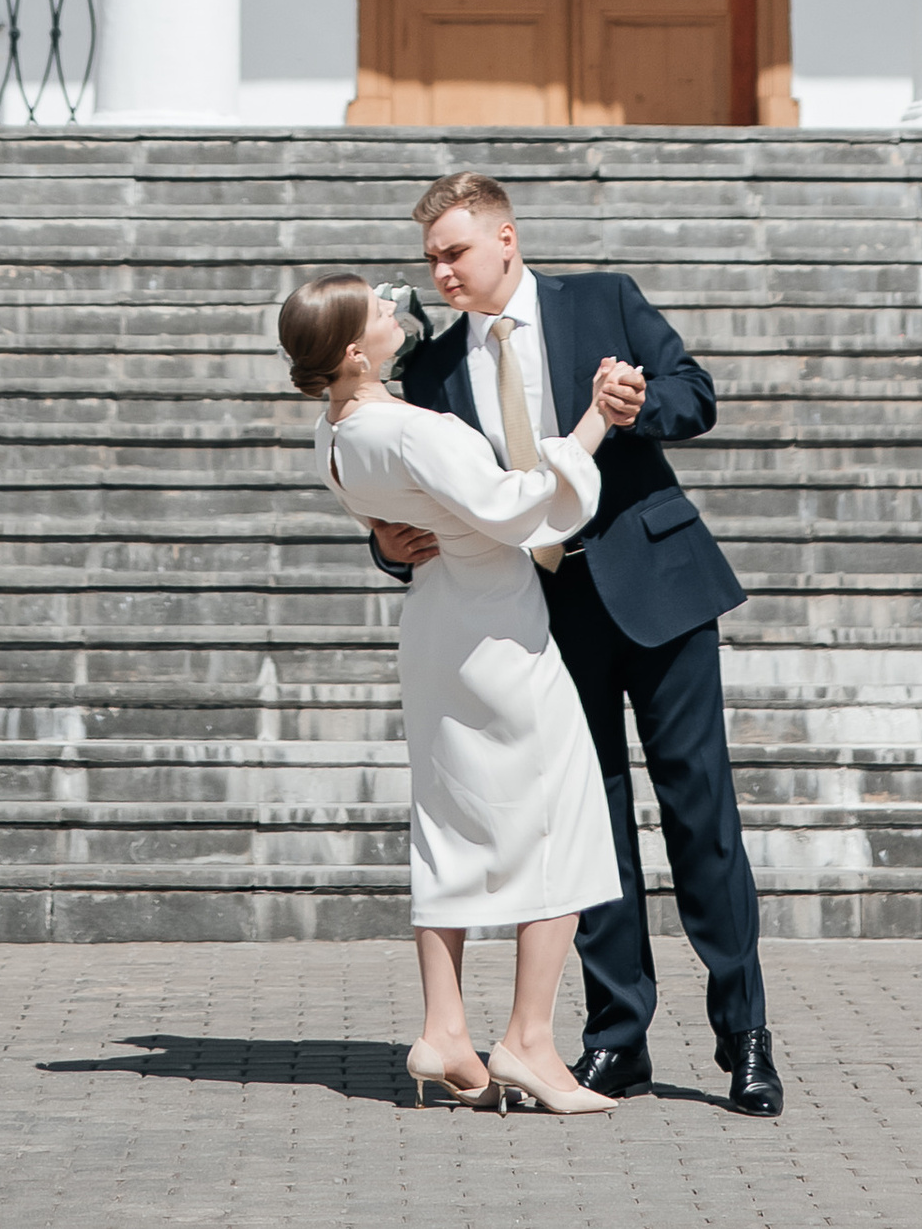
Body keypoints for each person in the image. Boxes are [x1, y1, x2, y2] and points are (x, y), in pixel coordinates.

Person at [366, 170, 782, 1118]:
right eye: (431, 259)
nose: (441, 273)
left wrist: (642, 407)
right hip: (539, 615)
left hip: (659, 593)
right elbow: (417, 492)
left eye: (456, 252)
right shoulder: (427, 374)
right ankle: (614, 1039)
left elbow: (695, 391)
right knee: (586, 831)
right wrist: (386, 545)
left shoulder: (603, 298)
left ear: (506, 238)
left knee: (701, 819)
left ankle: (744, 1038)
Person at [281, 266, 631, 1116]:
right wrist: (593, 422)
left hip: (438, 631)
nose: (405, 310)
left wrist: (392, 534)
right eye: (383, 310)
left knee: (447, 825)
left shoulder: (332, 436)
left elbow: (403, 519)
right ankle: (531, 1043)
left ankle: (444, 1027)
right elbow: (517, 511)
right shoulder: (407, 430)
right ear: (357, 352)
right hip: (496, 633)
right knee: (563, 821)